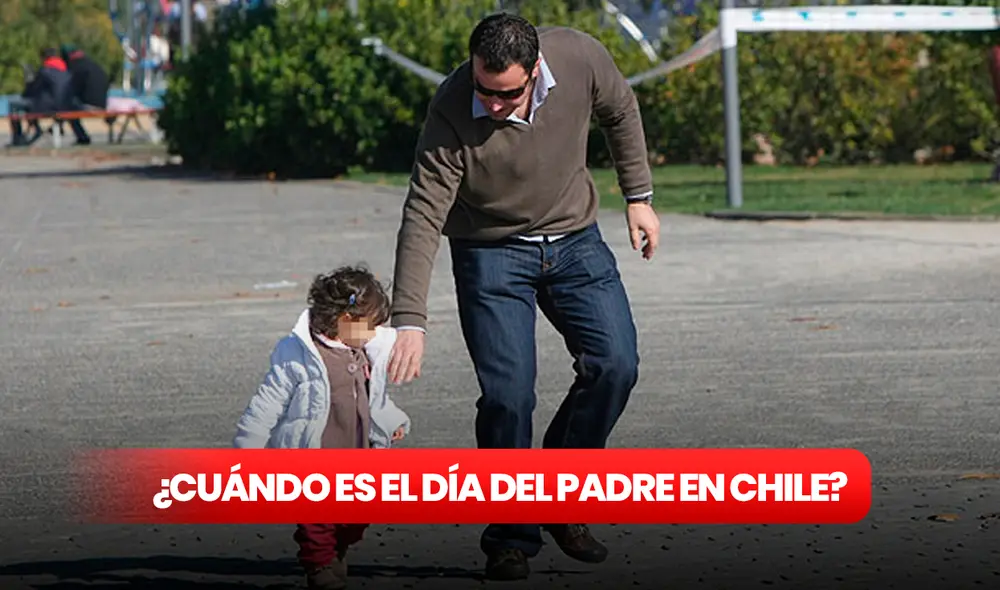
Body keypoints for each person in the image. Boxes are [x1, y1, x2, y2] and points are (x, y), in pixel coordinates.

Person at [385, 12, 661, 582]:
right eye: (483, 89)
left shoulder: (580, 58)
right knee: (508, 397)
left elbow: (621, 110)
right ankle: (510, 536)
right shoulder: (452, 106)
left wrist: (638, 196)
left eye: (506, 94)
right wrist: (409, 318)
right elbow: (423, 212)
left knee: (616, 365)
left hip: (575, 242)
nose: (492, 104)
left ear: (535, 71)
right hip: (490, 252)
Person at [233, 265, 411, 590]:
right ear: (345, 320)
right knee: (317, 520)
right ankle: (319, 565)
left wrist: (392, 420)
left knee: (356, 518)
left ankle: (336, 548)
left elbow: (373, 397)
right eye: (370, 326)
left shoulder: (362, 351)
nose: (376, 334)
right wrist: (249, 447)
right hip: (314, 454)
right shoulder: (298, 354)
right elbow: (267, 402)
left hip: (356, 451)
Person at [7, 48, 74, 147]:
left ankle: (18, 138)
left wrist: (26, 90)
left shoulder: (45, 71)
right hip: (65, 106)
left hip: (48, 106)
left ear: (44, 58)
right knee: (32, 105)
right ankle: (36, 129)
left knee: (14, 105)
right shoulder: (66, 71)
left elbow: (33, 90)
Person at [61, 45, 111, 146]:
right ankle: (59, 127)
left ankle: (82, 137)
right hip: (103, 104)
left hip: (89, 105)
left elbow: (73, 89)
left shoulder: (76, 67)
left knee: (67, 108)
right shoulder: (92, 64)